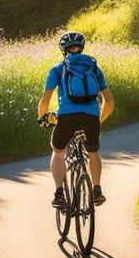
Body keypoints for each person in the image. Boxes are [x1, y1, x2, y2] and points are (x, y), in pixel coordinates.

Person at [37, 31, 115, 208]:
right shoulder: (94, 68)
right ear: (82, 48)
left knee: (58, 151)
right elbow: (109, 101)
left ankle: (59, 194)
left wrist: (42, 118)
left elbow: (45, 100)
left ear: (63, 50)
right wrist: (99, 120)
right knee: (93, 151)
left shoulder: (58, 69)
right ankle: (96, 190)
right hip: (91, 116)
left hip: (66, 116)